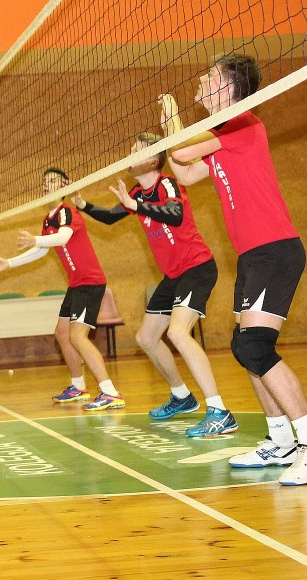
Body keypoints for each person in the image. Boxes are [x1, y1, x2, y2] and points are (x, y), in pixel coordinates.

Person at [160, 53, 307, 484]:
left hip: (273, 249)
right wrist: (171, 131)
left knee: (255, 347)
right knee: (245, 346)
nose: (201, 80)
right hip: (253, 254)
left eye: (209, 75)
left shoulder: (240, 123)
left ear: (228, 86)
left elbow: (180, 151)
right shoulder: (223, 135)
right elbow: (186, 174)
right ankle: (280, 440)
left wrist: (173, 121)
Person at [70, 132, 234, 436]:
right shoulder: (137, 193)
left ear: (154, 160)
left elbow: (175, 214)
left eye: (138, 150)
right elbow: (110, 216)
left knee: (178, 332)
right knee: (146, 337)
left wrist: (135, 205)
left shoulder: (166, 184)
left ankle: (219, 410)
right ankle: (182, 397)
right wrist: (84, 205)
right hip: (173, 277)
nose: (131, 154)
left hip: (196, 268)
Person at [0, 168, 123, 411]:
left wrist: (36, 239)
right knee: (62, 334)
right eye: (45, 181)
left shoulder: (67, 212)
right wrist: (9, 263)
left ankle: (110, 392)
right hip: (76, 284)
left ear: (64, 186)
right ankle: (78, 386)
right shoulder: (49, 219)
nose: (46, 185)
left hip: (90, 282)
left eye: (52, 181)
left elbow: (62, 237)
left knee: (77, 336)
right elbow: (41, 250)